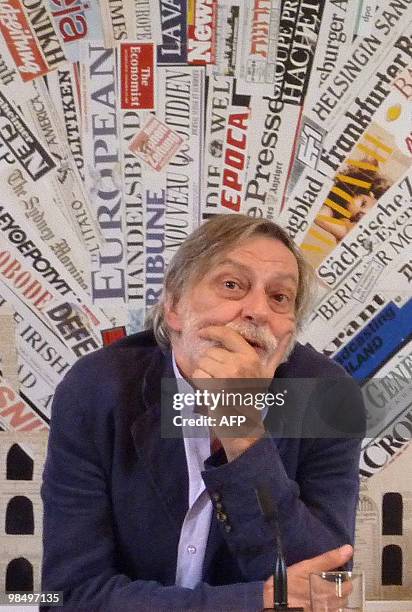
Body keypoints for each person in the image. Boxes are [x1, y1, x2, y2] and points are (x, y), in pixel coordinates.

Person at [41, 214, 364, 611]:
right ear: (174, 305)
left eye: (280, 297)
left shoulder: (326, 398)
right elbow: (67, 597)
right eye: (232, 285)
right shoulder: (98, 389)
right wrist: (252, 602)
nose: (258, 311)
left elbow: (322, 588)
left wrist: (242, 431)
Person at [315, 159, 390, 241]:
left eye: (363, 204)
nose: (364, 215)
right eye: (358, 216)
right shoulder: (358, 232)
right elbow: (320, 216)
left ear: (372, 195)